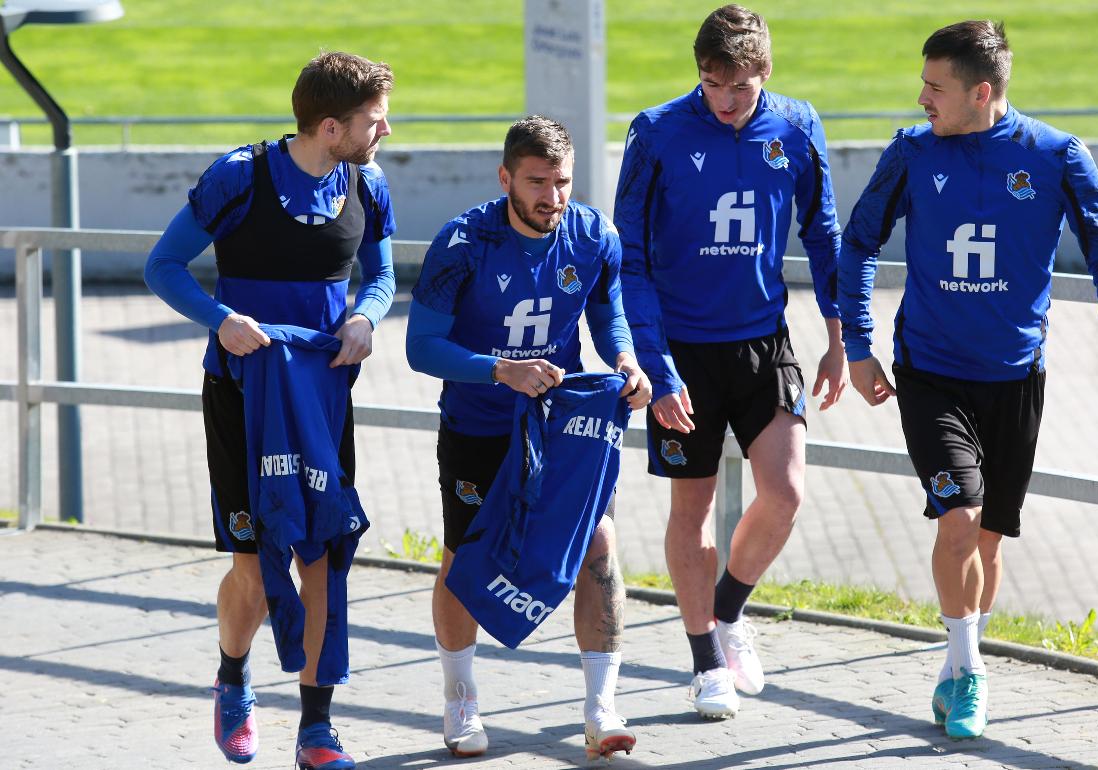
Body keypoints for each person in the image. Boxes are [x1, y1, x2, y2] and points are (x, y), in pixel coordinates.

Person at [838, 20, 1098, 740]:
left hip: (1014, 379)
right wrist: (858, 346)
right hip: (930, 375)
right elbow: (858, 243)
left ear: (982, 92)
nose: (921, 100)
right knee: (960, 519)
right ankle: (972, 670)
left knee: (986, 540)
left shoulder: (1056, 155)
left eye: (935, 88)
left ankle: (955, 669)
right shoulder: (912, 152)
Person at [143, 51, 396, 769]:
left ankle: (316, 731)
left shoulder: (369, 183)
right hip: (242, 399)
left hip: (322, 399)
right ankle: (233, 676)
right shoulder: (239, 176)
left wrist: (367, 317)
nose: (385, 131)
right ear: (329, 127)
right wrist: (221, 319)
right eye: (374, 121)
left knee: (323, 559)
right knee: (255, 570)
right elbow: (163, 266)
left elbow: (381, 274)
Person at [613, 4, 846, 719]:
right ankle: (706, 662)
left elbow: (824, 234)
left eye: (740, 87)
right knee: (694, 508)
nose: (724, 101)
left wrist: (841, 339)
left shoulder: (798, 125)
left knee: (786, 492)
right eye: (712, 85)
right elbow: (630, 259)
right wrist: (655, 367)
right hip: (682, 353)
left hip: (764, 342)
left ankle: (729, 611)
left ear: (765, 72)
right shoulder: (656, 132)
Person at [405, 115, 652, 760]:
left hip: (561, 425)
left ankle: (601, 707)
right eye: (537, 182)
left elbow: (610, 313)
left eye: (562, 181)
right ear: (505, 178)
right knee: (464, 558)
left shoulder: (594, 235)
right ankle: (460, 698)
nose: (553, 196)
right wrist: (500, 370)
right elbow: (421, 347)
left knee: (598, 545)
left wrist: (626, 362)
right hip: (479, 425)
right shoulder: (462, 242)